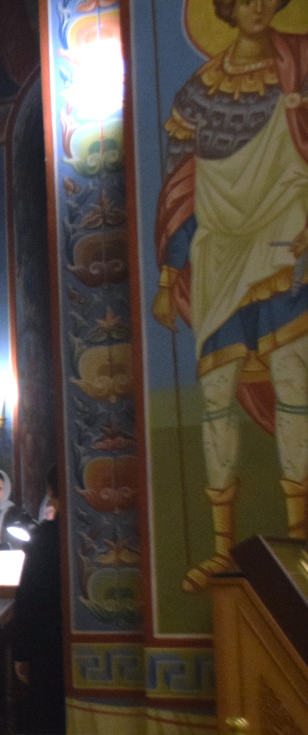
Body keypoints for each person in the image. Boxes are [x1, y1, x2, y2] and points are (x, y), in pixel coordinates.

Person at [153, 0, 308, 589]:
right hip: (218, 254)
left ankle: (298, 539)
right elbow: (182, 185)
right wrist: (168, 277)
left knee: (294, 382)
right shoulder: (197, 93)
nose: (257, 7)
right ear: (225, 9)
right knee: (216, 397)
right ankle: (223, 549)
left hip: (284, 243)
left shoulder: (300, 65)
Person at [10, 465, 65, 735]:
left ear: (51, 494)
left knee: (47, 716)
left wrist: (21, 653)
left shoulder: (44, 538)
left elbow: (28, 596)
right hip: (83, 645)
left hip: (46, 643)